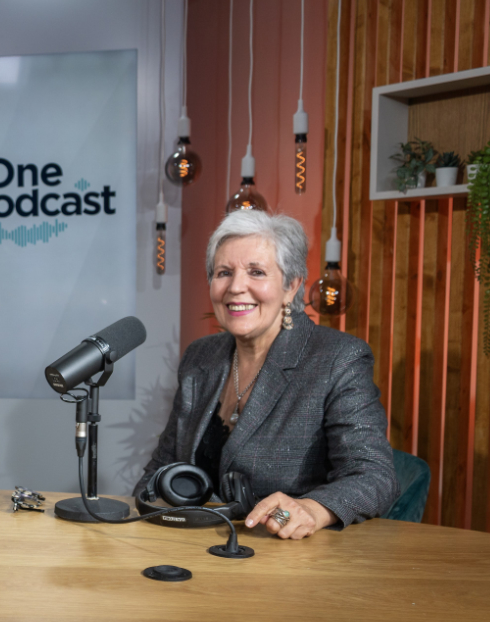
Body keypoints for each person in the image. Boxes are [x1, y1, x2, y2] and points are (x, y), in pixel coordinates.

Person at [133, 209, 396, 539]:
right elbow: (164, 464)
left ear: (291, 286)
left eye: (256, 272)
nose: (236, 287)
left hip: (288, 559)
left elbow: (374, 475)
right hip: (193, 548)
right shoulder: (200, 357)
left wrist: (314, 509)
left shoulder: (337, 359)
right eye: (223, 272)